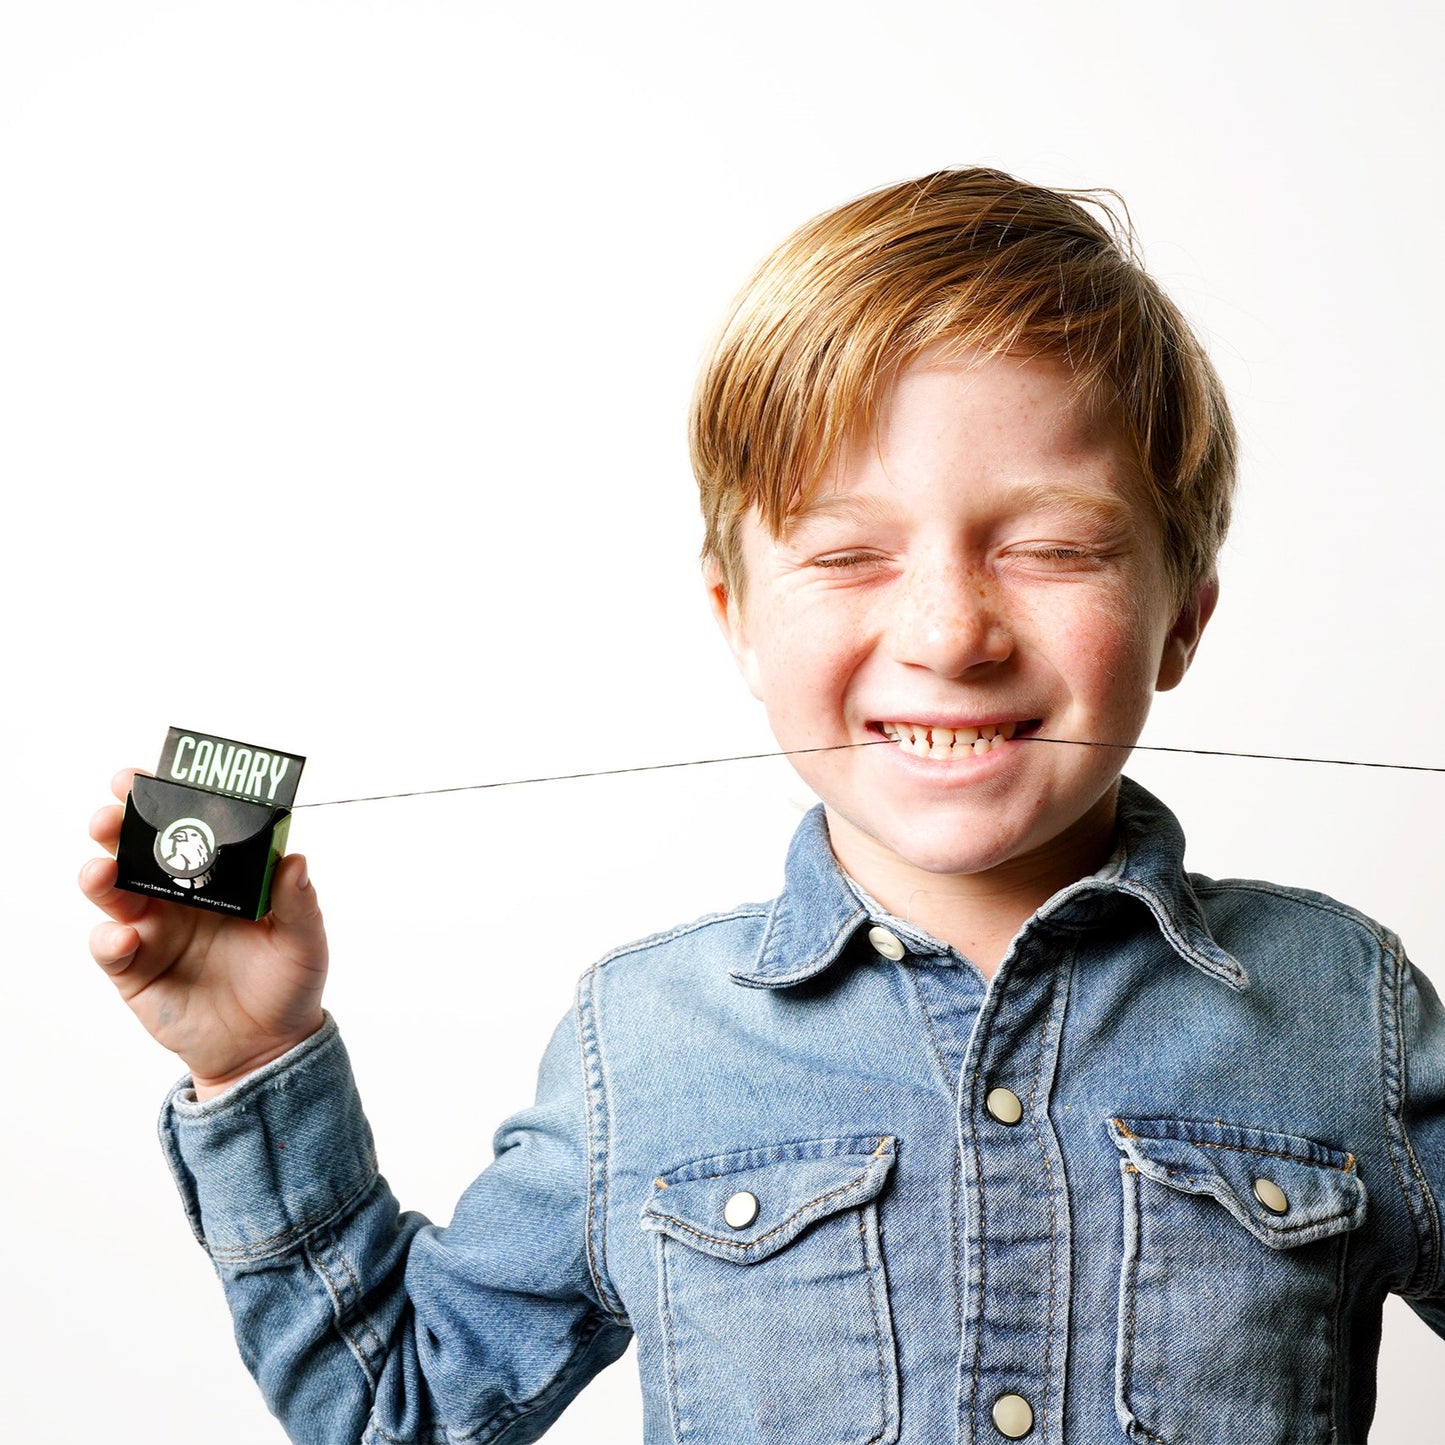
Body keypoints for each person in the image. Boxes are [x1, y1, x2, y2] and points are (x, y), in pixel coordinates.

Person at [80, 168, 1445, 1444]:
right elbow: (405, 1408)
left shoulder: (1346, 1009)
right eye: (849, 552)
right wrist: (253, 1061)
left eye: (1049, 549)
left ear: (1180, 619)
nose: (948, 631)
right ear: (736, 621)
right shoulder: (645, 1045)